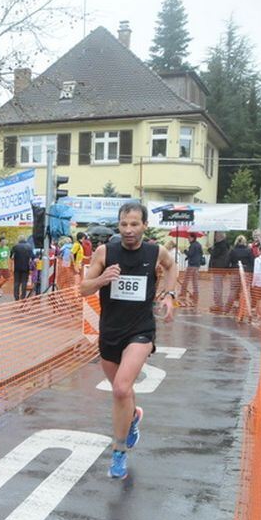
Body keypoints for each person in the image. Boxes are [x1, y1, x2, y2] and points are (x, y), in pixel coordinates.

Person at [79, 202, 178, 480]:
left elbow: (171, 267)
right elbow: (82, 288)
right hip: (110, 331)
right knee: (122, 393)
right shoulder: (105, 252)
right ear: (118, 225)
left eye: (135, 224)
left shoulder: (155, 252)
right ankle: (133, 417)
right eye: (124, 224)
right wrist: (102, 279)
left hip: (141, 329)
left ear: (144, 225)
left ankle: (118, 452)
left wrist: (169, 295)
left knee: (122, 389)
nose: (129, 230)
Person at [225, 235, 254, 313]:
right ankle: (242, 310)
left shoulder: (232, 250)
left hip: (235, 270)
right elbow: (252, 262)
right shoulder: (249, 250)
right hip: (246, 271)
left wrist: (228, 270)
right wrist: (251, 271)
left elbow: (227, 261)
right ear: (245, 241)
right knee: (244, 290)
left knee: (233, 290)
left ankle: (227, 309)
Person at [208, 232, 231, 312]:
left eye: (215, 236)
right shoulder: (226, 245)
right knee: (219, 286)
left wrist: (210, 249)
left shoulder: (219, 245)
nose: (214, 237)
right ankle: (218, 303)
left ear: (219, 237)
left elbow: (214, 254)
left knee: (217, 286)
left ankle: (218, 304)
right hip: (222, 268)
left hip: (217, 267)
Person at [179, 233, 204, 302]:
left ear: (193, 238)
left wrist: (185, 251)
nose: (188, 239)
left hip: (192, 265)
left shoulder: (193, 245)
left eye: (189, 238)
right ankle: (196, 295)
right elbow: (200, 254)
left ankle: (182, 293)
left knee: (186, 279)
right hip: (197, 265)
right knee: (195, 281)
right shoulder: (199, 244)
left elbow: (190, 254)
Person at [11, 236, 34, 301]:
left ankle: (16, 296)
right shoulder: (29, 247)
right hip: (26, 267)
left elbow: (11, 256)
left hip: (17, 267)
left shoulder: (15, 247)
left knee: (16, 282)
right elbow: (32, 257)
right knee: (24, 282)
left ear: (19, 240)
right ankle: (23, 296)